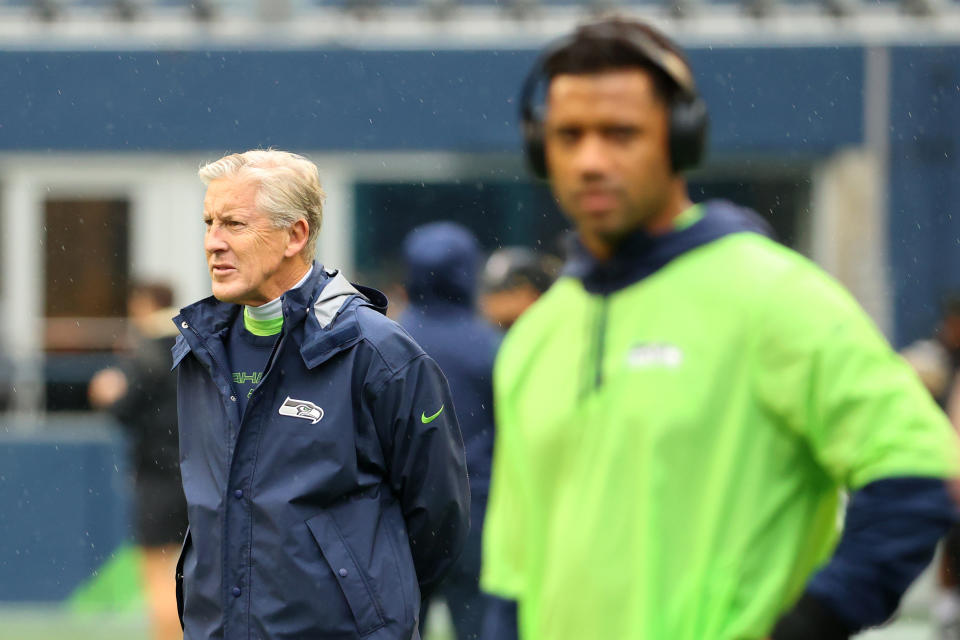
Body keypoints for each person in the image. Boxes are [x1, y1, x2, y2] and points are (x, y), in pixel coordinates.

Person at [480, 17, 960, 640]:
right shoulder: (535, 338)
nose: (591, 159)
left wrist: (809, 624)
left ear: (679, 142)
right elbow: (512, 582)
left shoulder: (775, 296)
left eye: (621, 133)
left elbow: (915, 476)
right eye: (569, 135)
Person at [172, 149, 470, 639]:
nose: (213, 243)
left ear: (296, 235)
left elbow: (438, 519)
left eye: (234, 224)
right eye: (209, 222)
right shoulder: (197, 352)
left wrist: (365, 602)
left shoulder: (380, 352)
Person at [398, 222, 502, 639]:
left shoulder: (386, 339)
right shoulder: (493, 346)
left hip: (401, 512)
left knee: (399, 622)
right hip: (477, 508)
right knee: (477, 623)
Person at [88, 280, 187, 640]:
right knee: (187, 571)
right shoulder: (192, 343)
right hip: (196, 473)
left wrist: (108, 393)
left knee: (157, 570)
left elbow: (125, 408)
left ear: (143, 304)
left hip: (158, 476)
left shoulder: (145, 350)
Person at [479, 247, 559, 331]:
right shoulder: (488, 333)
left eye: (507, 290)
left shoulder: (552, 330)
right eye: (494, 291)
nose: (492, 301)